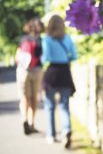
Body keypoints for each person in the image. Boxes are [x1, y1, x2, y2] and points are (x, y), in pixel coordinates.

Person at [41, 15, 77, 148]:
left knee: (50, 106)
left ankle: (51, 135)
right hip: (65, 73)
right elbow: (74, 56)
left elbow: (45, 58)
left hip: (51, 73)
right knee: (64, 107)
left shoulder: (47, 39)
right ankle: (66, 130)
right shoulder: (67, 38)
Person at [16, 17, 44, 135]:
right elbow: (44, 56)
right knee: (34, 98)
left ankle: (24, 119)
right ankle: (32, 123)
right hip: (37, 70)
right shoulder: (41, 40)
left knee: (24, 97)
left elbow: (18, 56)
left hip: (23, 71)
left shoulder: (23, 39)